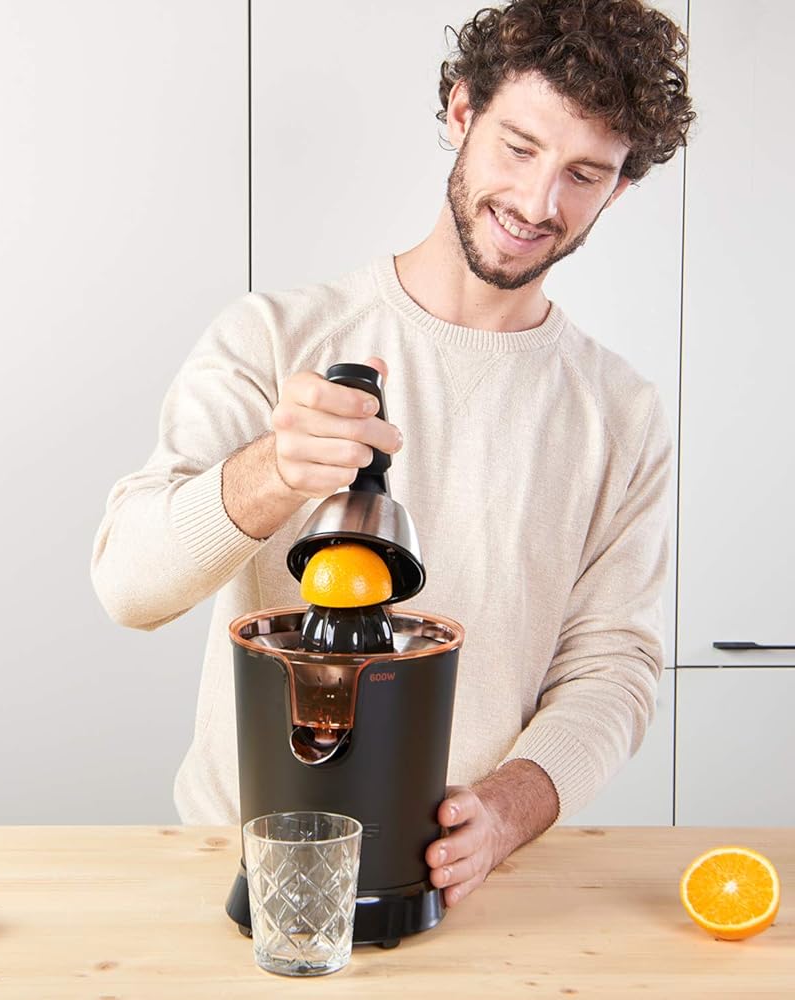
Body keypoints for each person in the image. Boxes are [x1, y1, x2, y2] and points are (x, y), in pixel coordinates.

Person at [91, 0, 695, 907]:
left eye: (583, 174)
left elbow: (614, 664)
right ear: (462, 111)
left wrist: (512, 806)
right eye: (519, 147)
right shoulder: (273, 338)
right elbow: (128, 588)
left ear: (619, 189)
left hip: (461, 879)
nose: (538, 204)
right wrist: (272, 474)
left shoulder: (621, 413)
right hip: (242, 868)